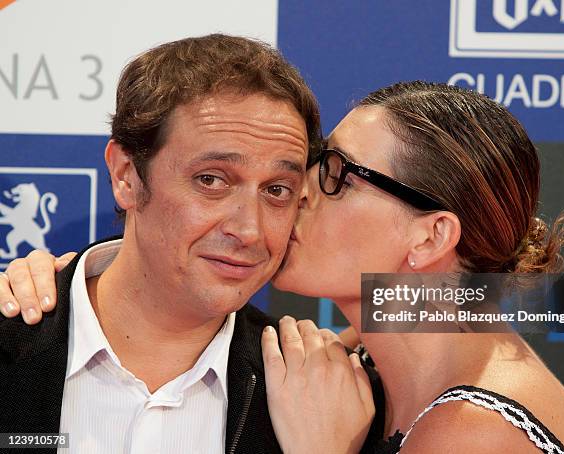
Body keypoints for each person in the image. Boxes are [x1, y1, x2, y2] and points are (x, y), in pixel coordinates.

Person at [2, 82, 564, 452]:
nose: (300, 193)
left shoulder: (474, 434)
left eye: (338, 175)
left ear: (430, 236)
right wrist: (75, 280)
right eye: (315, 162)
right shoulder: (362, 366)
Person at [0, 34, 379, 454]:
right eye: (211, 180)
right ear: (126, 175)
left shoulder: (324, 400)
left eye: (276, 189)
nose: (249, 230)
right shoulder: (12, 337)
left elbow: (463, 306)